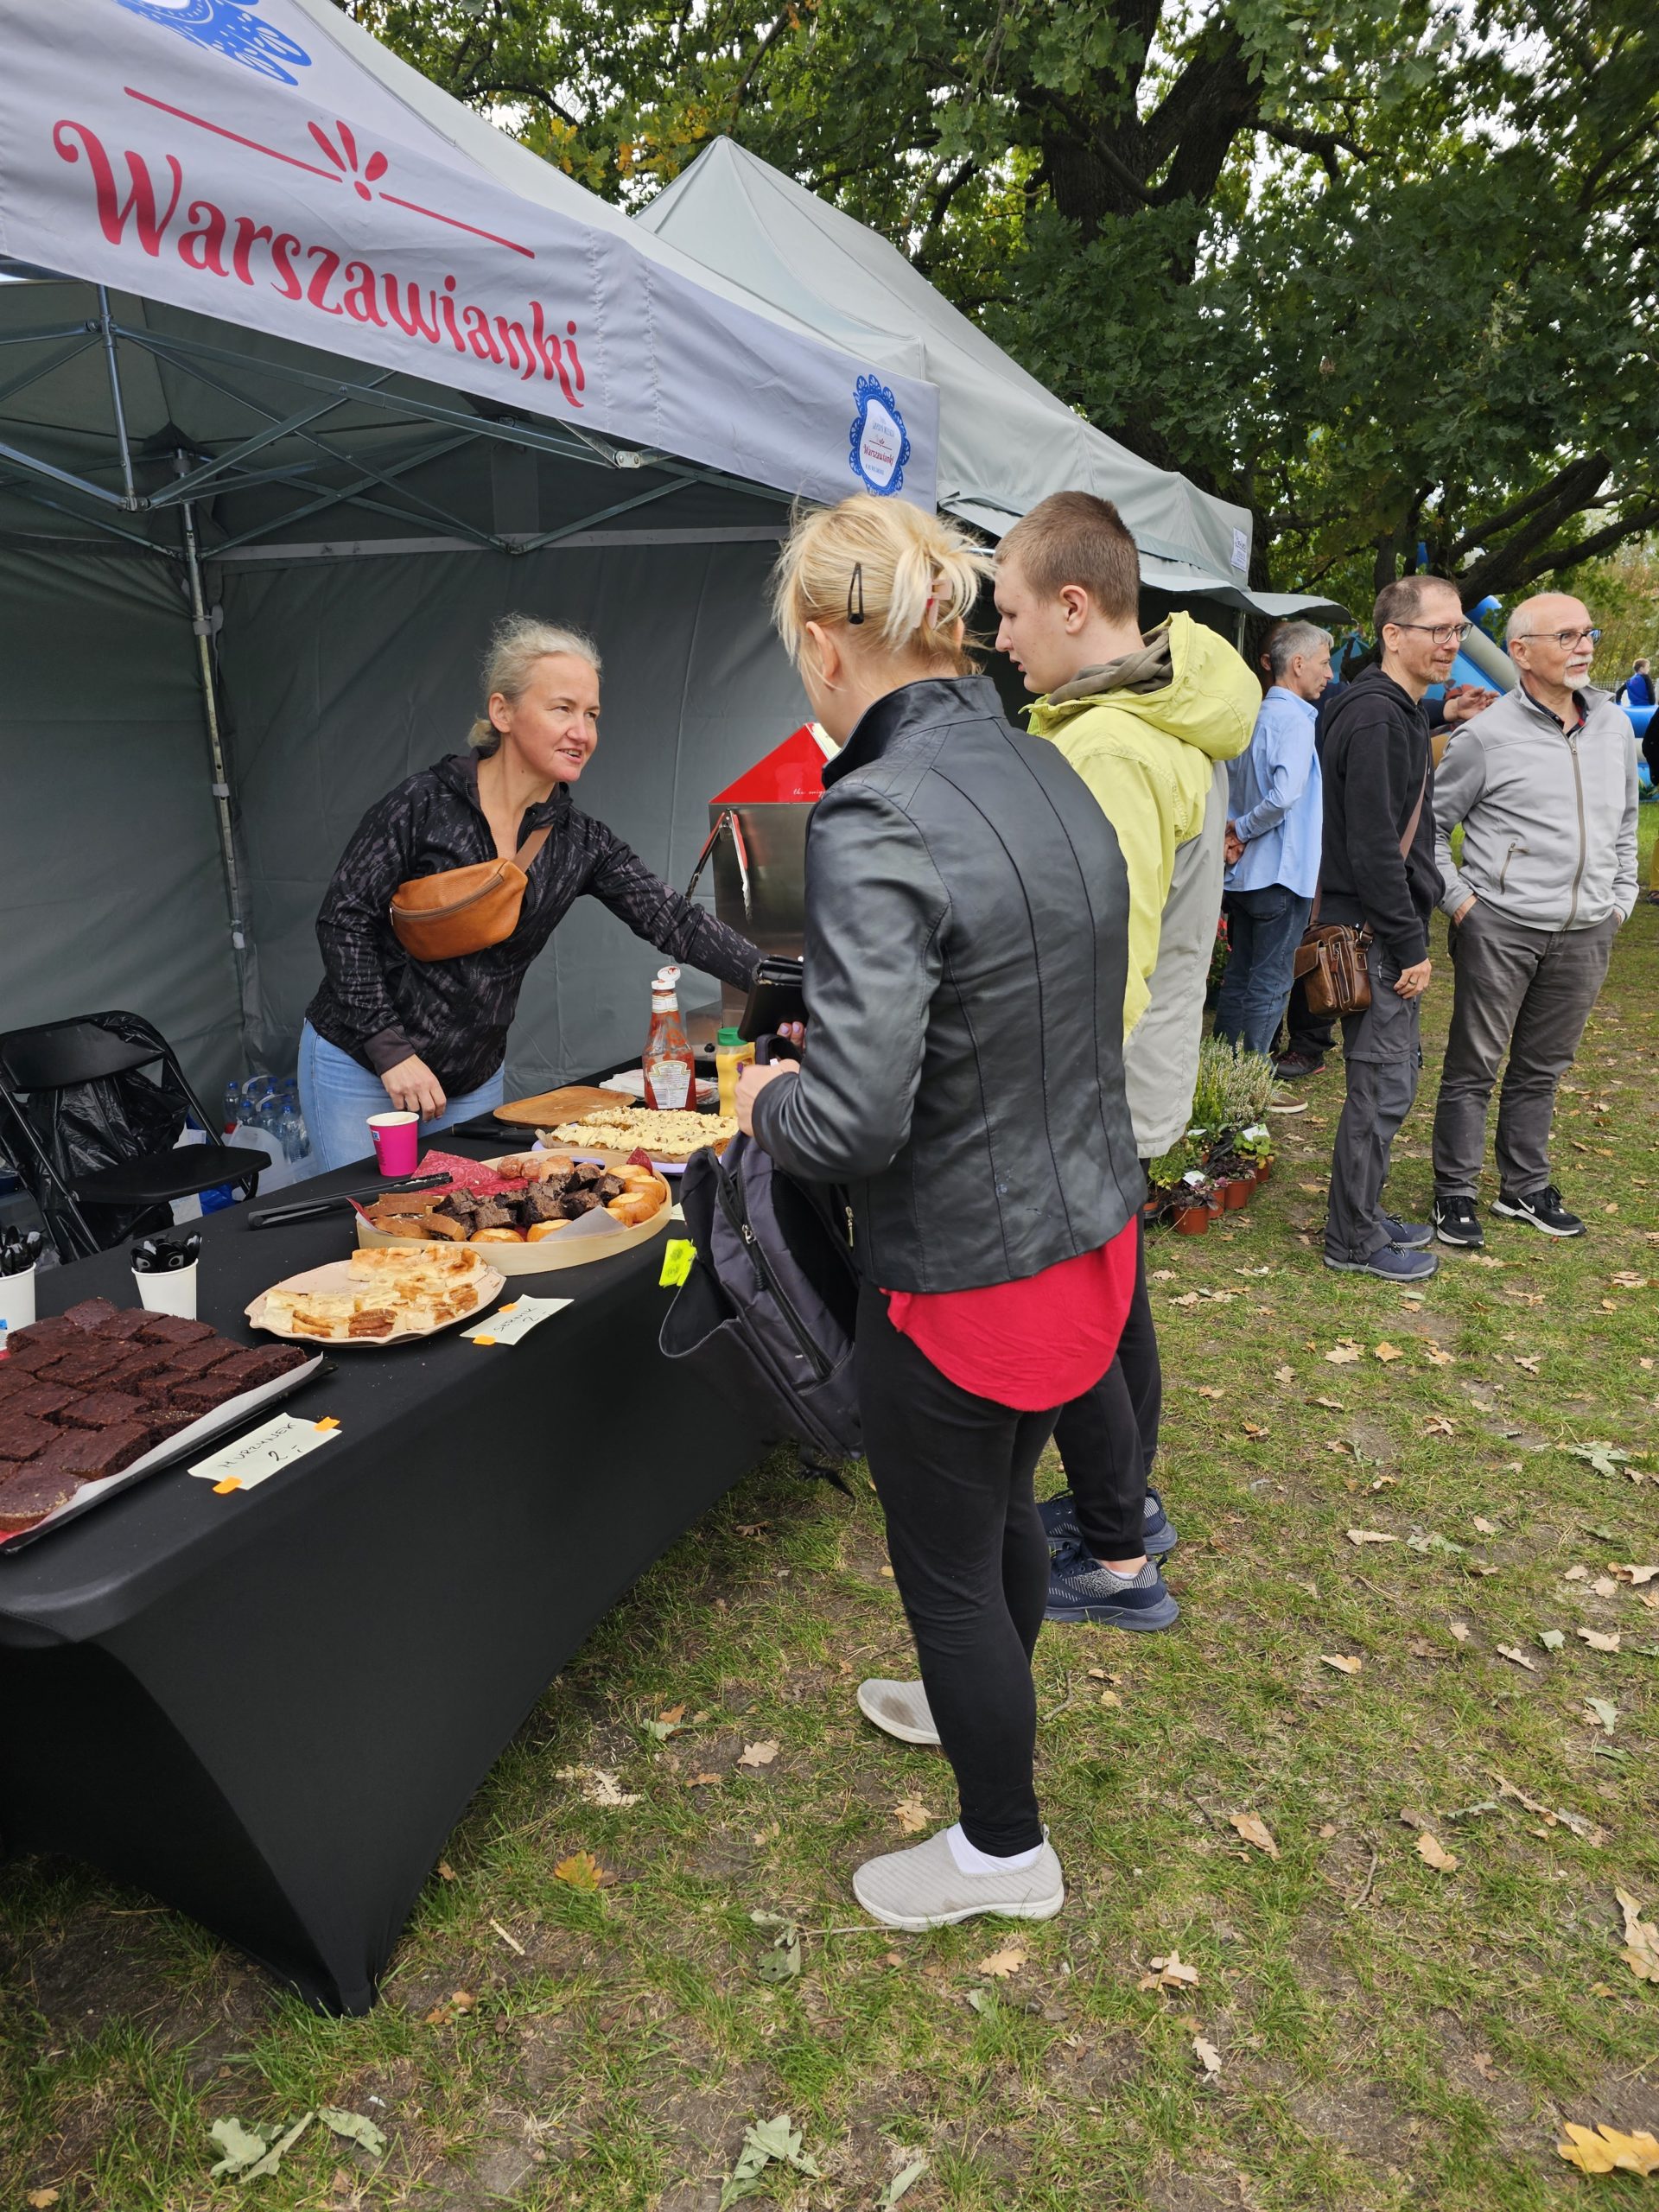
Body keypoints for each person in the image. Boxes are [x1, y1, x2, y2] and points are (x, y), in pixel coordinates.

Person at [736, 493, 1145, 1931]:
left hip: (969, 1269)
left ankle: (1000, 1849)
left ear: (823, 644)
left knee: (953, 1561)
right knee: (996, 1525)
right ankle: (983, 1707)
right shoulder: (1046, 766)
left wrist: (758, 1103)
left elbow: (850, 1121)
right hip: (1083, 1234)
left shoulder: (874, 809)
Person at [990, 491, 1258, 1625]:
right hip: (1128, 1081)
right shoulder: (1159, 714)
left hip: (1093, 1084)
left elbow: (1112, 950)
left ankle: (1114, 1558)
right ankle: (1127, 1512)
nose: (998, 639)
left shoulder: (1111, 745)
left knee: (1080, 1327)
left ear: (1070, 603)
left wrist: (1047, 1091)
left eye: (1007, 613)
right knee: (1120, 1305)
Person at [300, 616, 760, 1172]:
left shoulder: (582, 842)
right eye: (562, 708)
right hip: (363, 1067)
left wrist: (782, 982)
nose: (582, 732)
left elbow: (675, 921)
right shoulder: (421, 805)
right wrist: (389, 1049)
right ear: (503, 713)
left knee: (460, 1233)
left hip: (470, 1081)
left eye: (591, 715)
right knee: (352, 1225)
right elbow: (343, 921)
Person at [1430, 594, 1637, 1246]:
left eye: (1588, 633)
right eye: (1568, 635)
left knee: (1542, 1070)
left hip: (1587, 930)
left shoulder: (1614, 728)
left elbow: (1626, 822)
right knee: (1474, 1068)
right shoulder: (1485, 736)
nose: (1586, 647)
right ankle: (1454, 1193)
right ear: (1520, 651)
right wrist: (1464, 906)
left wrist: (1620, 898)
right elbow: (1430, 831)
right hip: (1501, 927)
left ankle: (1522, 1188)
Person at [1319, 576, 1465, 1281]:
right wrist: (1411, 945)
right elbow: (1376, 847)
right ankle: (1349, 1241)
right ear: (1393, 635)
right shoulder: (1378, 716)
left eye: (1459, 630)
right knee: (1380, 1090)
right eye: (1439, 629)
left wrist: (1439, 709)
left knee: (1392, 1082)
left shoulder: (1394, 709)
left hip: (1380, 928)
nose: (1453, 643)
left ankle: (1365, 1216)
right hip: (1378, 936)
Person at [1213, 621, 1330, 1054]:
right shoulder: (1294, 721)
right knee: (1271, 983)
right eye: (1323, 663)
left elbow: (1228, 785)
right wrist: (1242, 830)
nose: (1329, 673)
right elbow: (1284, 797)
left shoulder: (1253, 715)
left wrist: (1233, 834)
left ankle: (1221, 1078)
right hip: (1281, 875)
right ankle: (1247, 1091)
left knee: (1240, 977)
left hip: (1244, 876)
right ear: (1297, 665)